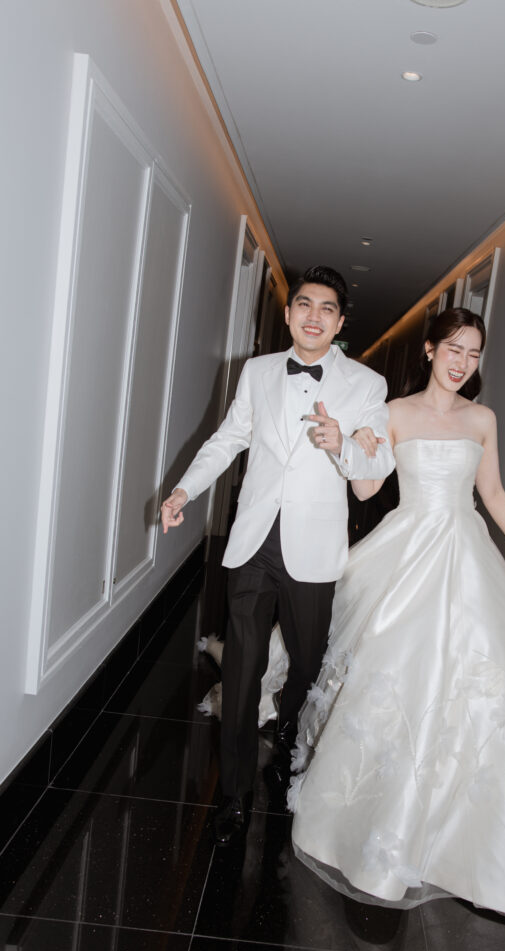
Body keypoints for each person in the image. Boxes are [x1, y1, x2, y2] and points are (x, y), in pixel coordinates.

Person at [287, 307, 505, 919]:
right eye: (453, 349)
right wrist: (347, 444)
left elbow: (492, 492)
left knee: (473, 680)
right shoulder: (394, 412)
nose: (462, 363)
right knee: (397, 676)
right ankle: (377, 819)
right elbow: (368, 489)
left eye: (473, 354)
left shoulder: (482, 418)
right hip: (407, 552)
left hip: (466, 556)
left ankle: (463, 833)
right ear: (429, 349)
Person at [161, 266, 395, 846]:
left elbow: (377, 466)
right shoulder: (258, 371)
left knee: (307, 663)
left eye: (326, 309)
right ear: (289, 314)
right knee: (242, 668)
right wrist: (185, 490)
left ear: (339, 323)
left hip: (314, 548)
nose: (314, 316)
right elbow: (229, 438)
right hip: (254, 541)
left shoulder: (367, 384)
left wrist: (344, 445)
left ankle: (290, 731)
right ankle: (234, 795)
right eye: (304, 305)